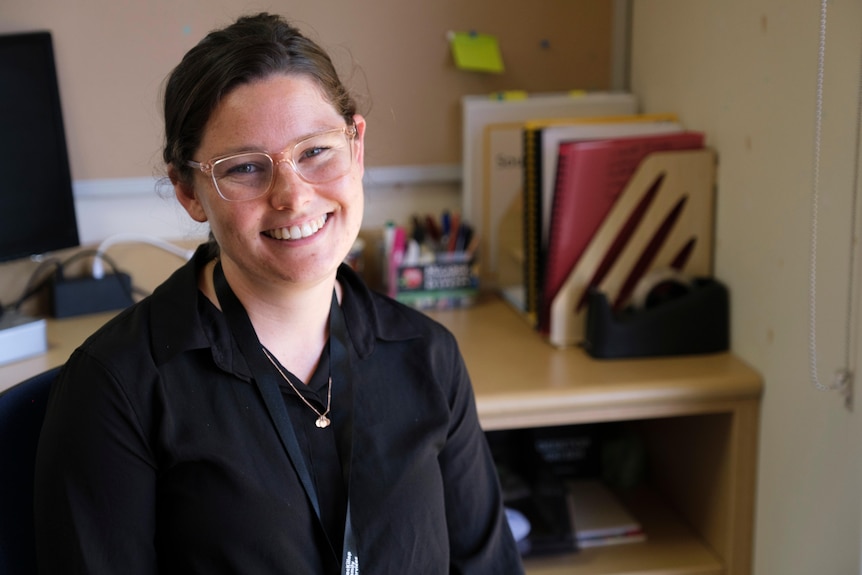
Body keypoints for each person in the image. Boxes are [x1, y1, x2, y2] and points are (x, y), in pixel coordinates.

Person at [34, 12, 525, 575]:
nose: (292, 197)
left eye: (316, 151)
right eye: (245, 168)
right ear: (190, 192)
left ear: (356, 146)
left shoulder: (428, 355)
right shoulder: (119, 386)